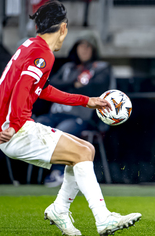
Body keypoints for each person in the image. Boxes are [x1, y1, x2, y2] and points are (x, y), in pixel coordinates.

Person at [0, 1, 141, 236]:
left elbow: (44, 90)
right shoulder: (43, 54)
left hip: (14, 127)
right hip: (16, 131)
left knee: (87, 150)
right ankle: (103, 219)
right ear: (63, 28)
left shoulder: (31, 46)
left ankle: (60, 209)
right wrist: (13, 126)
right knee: (81, 153)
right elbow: (22, 87)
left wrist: (86, 100)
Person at [36, 31, 114, 187]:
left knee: (63, 131)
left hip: (81, 117)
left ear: (94, 49)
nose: (84, 49)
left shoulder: (100, 68)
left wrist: (70, 89)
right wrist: (73, 83)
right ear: (75, 48)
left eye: (88, 46)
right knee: (37, 125)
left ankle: (58, 171)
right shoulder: (67, 68)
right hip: (56, 114)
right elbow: (48, 85)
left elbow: (96, 89)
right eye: (80, 45)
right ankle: (32, 175)